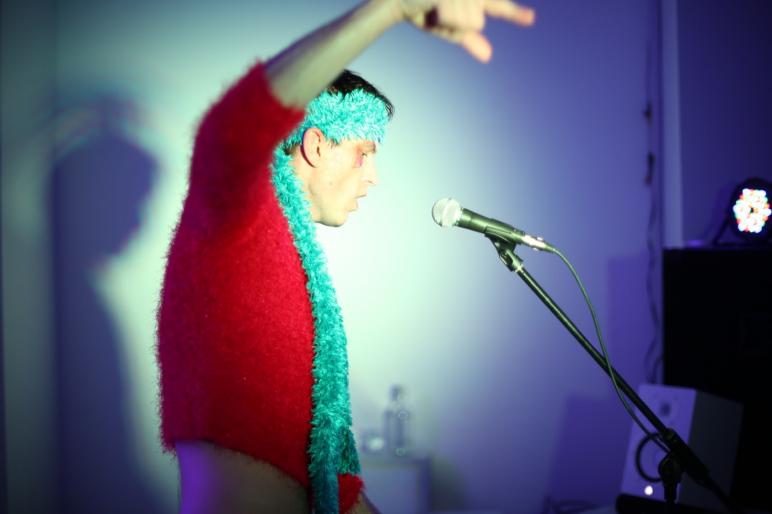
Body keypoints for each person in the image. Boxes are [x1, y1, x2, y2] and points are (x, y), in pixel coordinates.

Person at [155, 1, 535, 513]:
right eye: (364, 153)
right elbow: (232, 130)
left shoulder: (293, 263)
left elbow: (332, 479)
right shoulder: (235, 221)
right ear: (315, 145)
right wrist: (391, 8)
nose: (373, 177)